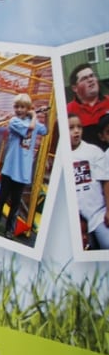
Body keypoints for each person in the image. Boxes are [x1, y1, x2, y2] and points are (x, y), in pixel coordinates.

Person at [0, 94, 48, 238]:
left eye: (23, 107)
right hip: (9, 168)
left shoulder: (31, 120)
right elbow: (31, 128)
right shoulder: (14, 121)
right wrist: (34, 114)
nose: (19, 110)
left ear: (27, 108)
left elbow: (44, 131)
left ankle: (9, 228)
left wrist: (44, 116)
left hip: (22, 171)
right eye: (17, 106)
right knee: (1, 198)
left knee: (15, 202)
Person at [70, 113, 109, 251]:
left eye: (79, 127)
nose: (76, 131)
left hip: (99, 215)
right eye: (71, 128)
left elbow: (106, 182)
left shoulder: (93, 152)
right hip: (78, 219)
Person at [65, 63, 109, 146]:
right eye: (84, 78)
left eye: (92, 76)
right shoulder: (68, 110)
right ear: (75, 88)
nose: (90, 80)